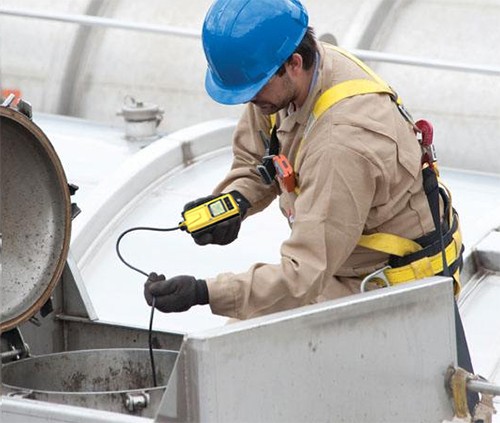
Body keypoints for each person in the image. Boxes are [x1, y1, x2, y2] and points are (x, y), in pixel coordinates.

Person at [144, 0, 478, 413]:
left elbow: (302, 274)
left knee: (257, 374)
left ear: (294, 64)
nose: (250, 102)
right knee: (233, 362)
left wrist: (203, 292)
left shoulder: (343, 142)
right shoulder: (282, 81)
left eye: (254, 91)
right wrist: (235, 202)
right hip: (338, 264)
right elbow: (257, 159)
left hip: (387, 292)